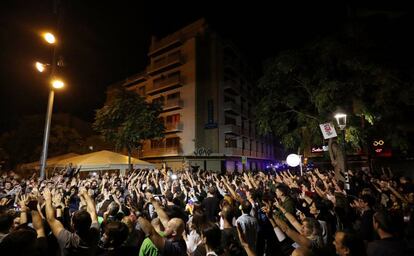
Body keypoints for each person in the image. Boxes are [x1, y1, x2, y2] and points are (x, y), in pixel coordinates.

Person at [44, 187, 100, 256]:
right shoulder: (95, 234)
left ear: (73, 225)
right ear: (90, 222)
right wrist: (85, 195)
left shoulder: (68, 239)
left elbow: (51, 219)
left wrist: (48, 198)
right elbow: (93, 212)